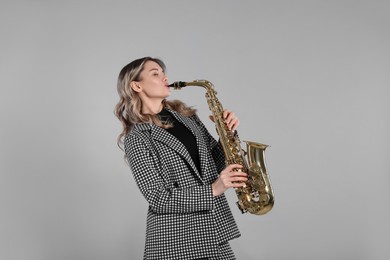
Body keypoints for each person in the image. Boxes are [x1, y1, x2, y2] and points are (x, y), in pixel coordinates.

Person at [115, 57, 248, 260]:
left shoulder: (187, 117)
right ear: (136, 85)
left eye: (163, 72)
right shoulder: (137, 138)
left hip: (212, 230)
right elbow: (157, 198)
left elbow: (213, 163)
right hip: (175, 242)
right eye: (155, 73)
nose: (164, 77)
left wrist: (227, 135)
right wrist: (214, 189)